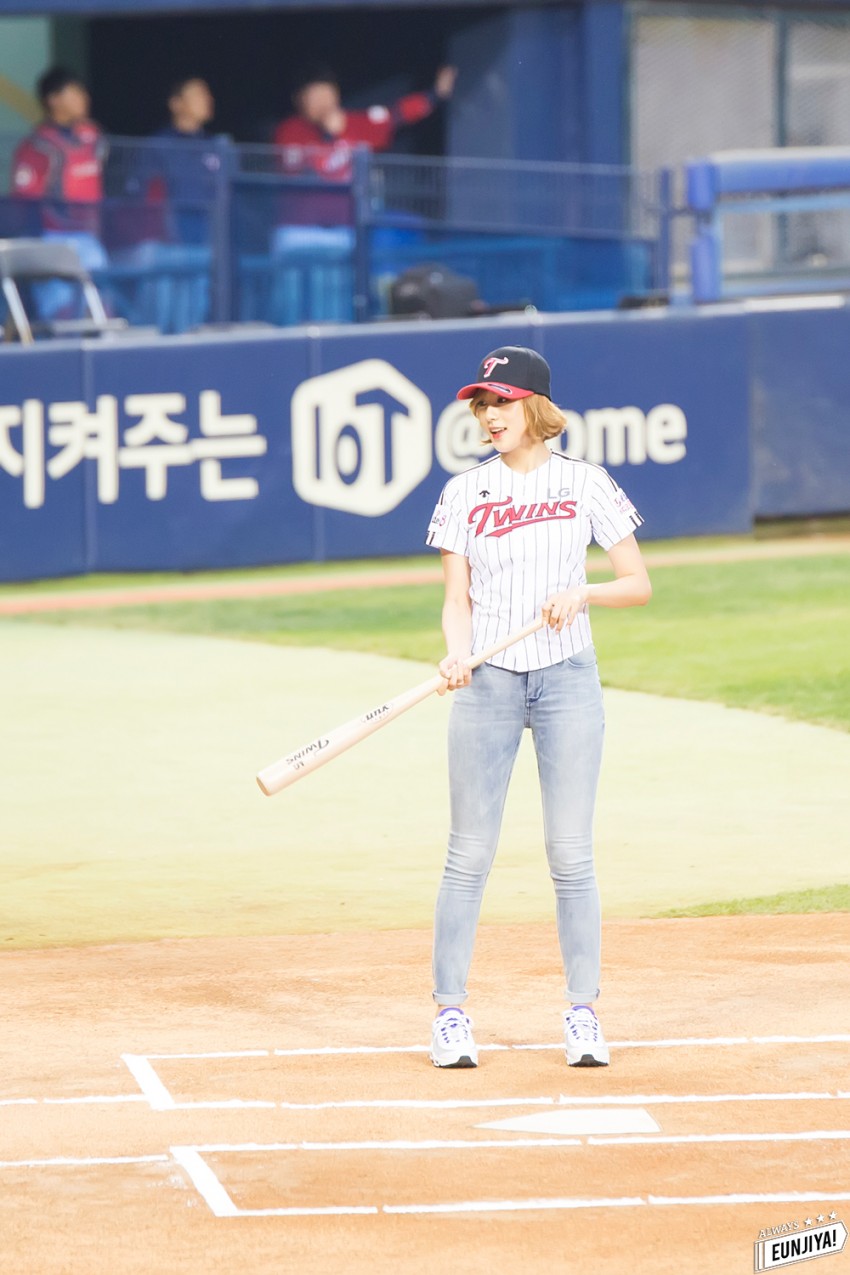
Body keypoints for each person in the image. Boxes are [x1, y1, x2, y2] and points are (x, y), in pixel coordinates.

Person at [425, 346, 652, 1070]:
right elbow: (456, 600)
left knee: (570, 854)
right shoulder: (463, 493)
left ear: (536, 406)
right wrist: (456, 652)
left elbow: (637, 583)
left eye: (502, 401)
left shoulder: (586, 483)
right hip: (488, 682)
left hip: (568, 680)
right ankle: (450, 1014)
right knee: (468, 855)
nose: (489, 415)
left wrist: (582, 592)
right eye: (482, 404)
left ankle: (583, 1012)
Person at [274, 63, 457, 183]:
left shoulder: (357, 124)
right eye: (313, 97)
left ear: (336, 94)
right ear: (299, 100)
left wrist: (435, 95)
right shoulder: (289, 130)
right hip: (302, 227)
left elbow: (396, 115)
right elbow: (293, 174)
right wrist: (328, 135)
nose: (321, 102)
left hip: (349, 224)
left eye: (325, 94)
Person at [10, 66, 107, 266]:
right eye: (74, 93)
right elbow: (25, 201)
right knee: (60, 298)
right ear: (53, 99)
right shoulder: (37, 146)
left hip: (89, 237)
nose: (83, 98)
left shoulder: (93, 136)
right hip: (51, 237)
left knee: (101, 294)